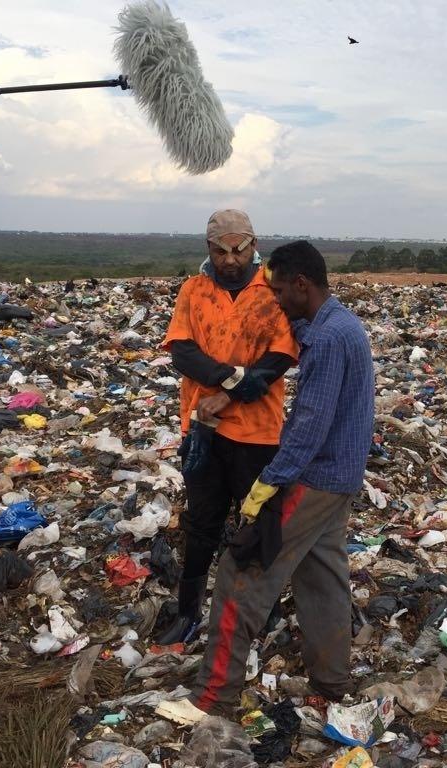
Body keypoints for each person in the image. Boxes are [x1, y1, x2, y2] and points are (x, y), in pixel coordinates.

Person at [159, 240, 375, 722]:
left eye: (278, 290)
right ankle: (332, 680)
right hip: (342, 478)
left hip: (313, 478)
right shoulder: (338, 324)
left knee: (242, 574)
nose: (273, 299)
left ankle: (213, 697)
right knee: (322, 577)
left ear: (301, 285)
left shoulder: (327, 341)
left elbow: (310, 425)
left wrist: (268, 485)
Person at [159, 210, 298, 644]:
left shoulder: (272, 293)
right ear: (209, 249)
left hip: (257, 433)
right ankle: (188, 612)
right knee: (201, 523)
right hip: (203, 431)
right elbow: (181, 351)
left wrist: (226, 390)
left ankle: (263, 612)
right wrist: (233, 379)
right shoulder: (194, 291)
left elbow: (276, 363)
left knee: (259, 520)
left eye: (239, 249)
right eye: (221, 250)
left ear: (254, 244)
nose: (231, 259)